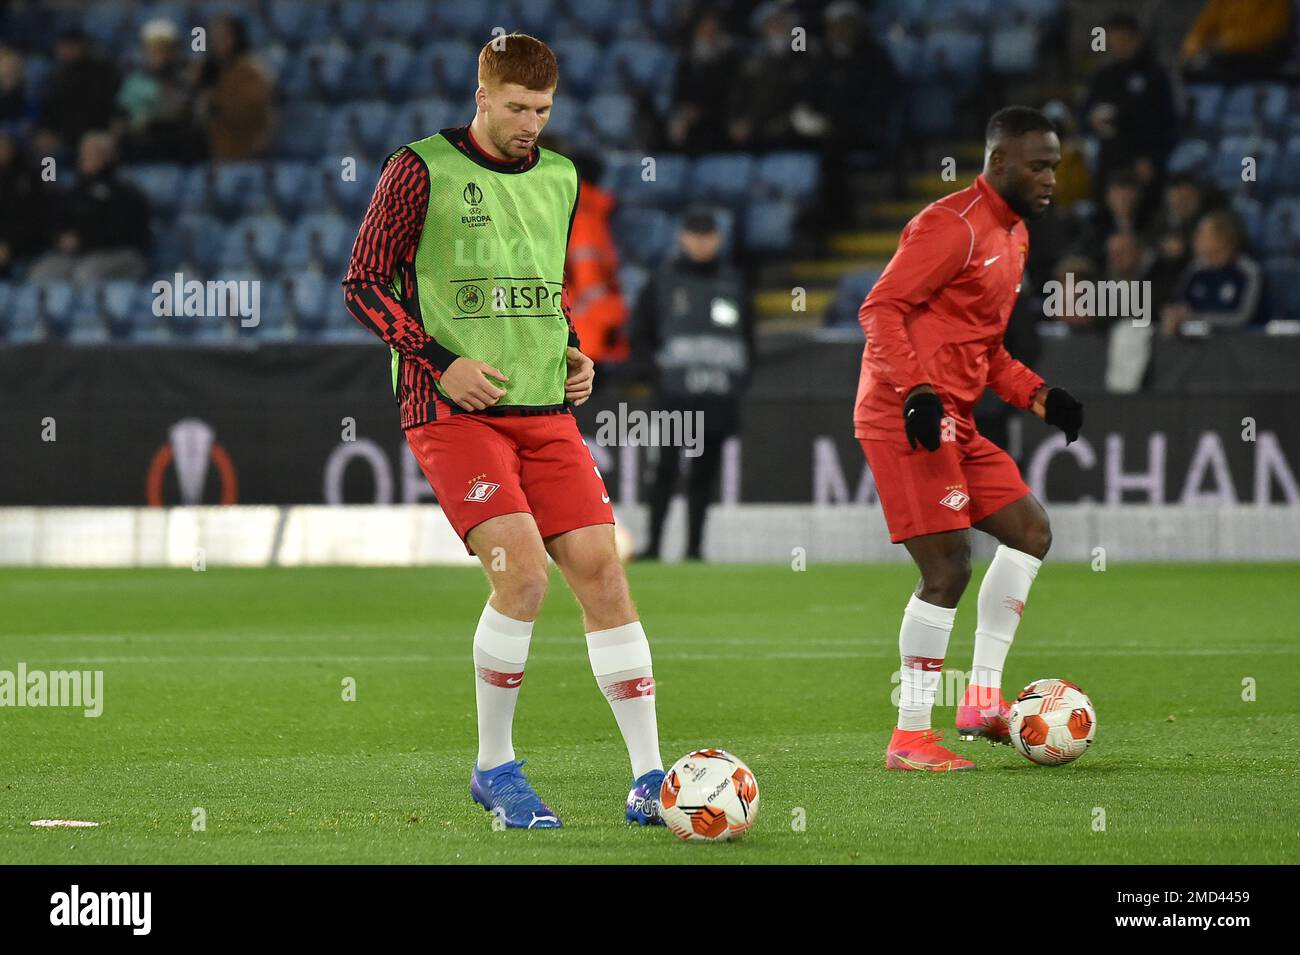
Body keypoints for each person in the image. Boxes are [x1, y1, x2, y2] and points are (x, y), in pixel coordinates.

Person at [341, 34, 665, 829]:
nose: (531, 123)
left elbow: (539, 289)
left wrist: (569, 353)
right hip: (453, 408)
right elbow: (362, 284)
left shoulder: (560, 177)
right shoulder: (418, 168)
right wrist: (437, 358)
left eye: (543, 110)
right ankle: (495, 768)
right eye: (516, 108)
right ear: (481, 96)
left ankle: (650, 778)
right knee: (522, 574)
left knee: (602, 570)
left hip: (542, 406)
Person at [853, 107, 1084, 772]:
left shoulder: (1014, 238)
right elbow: (881, 307)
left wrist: (1039, 395)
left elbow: (983, 347)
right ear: (999, 161)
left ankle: (981, 697)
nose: (1051, 178)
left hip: (956, 416)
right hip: (905, 415)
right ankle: (909, 738)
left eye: (1056, 166)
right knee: (947, 569)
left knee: (1030, 530)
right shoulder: (949, 226)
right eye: (1039, 164)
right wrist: (919, 391)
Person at [631, 206, 752, 561]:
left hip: (717, 397)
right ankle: (653, 546)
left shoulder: (733, 281)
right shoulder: (663, 280)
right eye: (695, 236)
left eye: (708, 236)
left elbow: (747, 340)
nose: (701, 243)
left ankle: (694, 549)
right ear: (683, 238)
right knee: (664, 470)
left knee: (703, 475)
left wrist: (737, 385)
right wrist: (655, 378)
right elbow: (640, 333)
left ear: (718, 239)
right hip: (674, 396)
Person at [27, 131, 150, 281]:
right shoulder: (74, 189)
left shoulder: (123, 190)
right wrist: (60, 237)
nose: (86, 158)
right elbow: (57, 218)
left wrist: (82, 240)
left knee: (86, 274)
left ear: (108, 156)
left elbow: (123, 232)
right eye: (84, 153)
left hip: (120, 253)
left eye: (93, 153)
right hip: (79, 253)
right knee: (41, 274)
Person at [1161, 210, 1262, 335]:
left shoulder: (1247, 272)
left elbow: (1243, 319)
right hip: (1197, 346)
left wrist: (1194, 318)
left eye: (1201, 234)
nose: (1195, 238)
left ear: (1223, 239)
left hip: (1241, 347)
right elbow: (1180, 306)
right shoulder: (1195, 270)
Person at [193, 15, 274, 161]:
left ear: (237, 37)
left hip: (242, 142)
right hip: (209, 140)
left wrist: (215, 104)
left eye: (224, 36)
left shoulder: (252, 70)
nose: (218, 41)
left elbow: (253, 108)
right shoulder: (210, 69)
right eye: (215, 36)